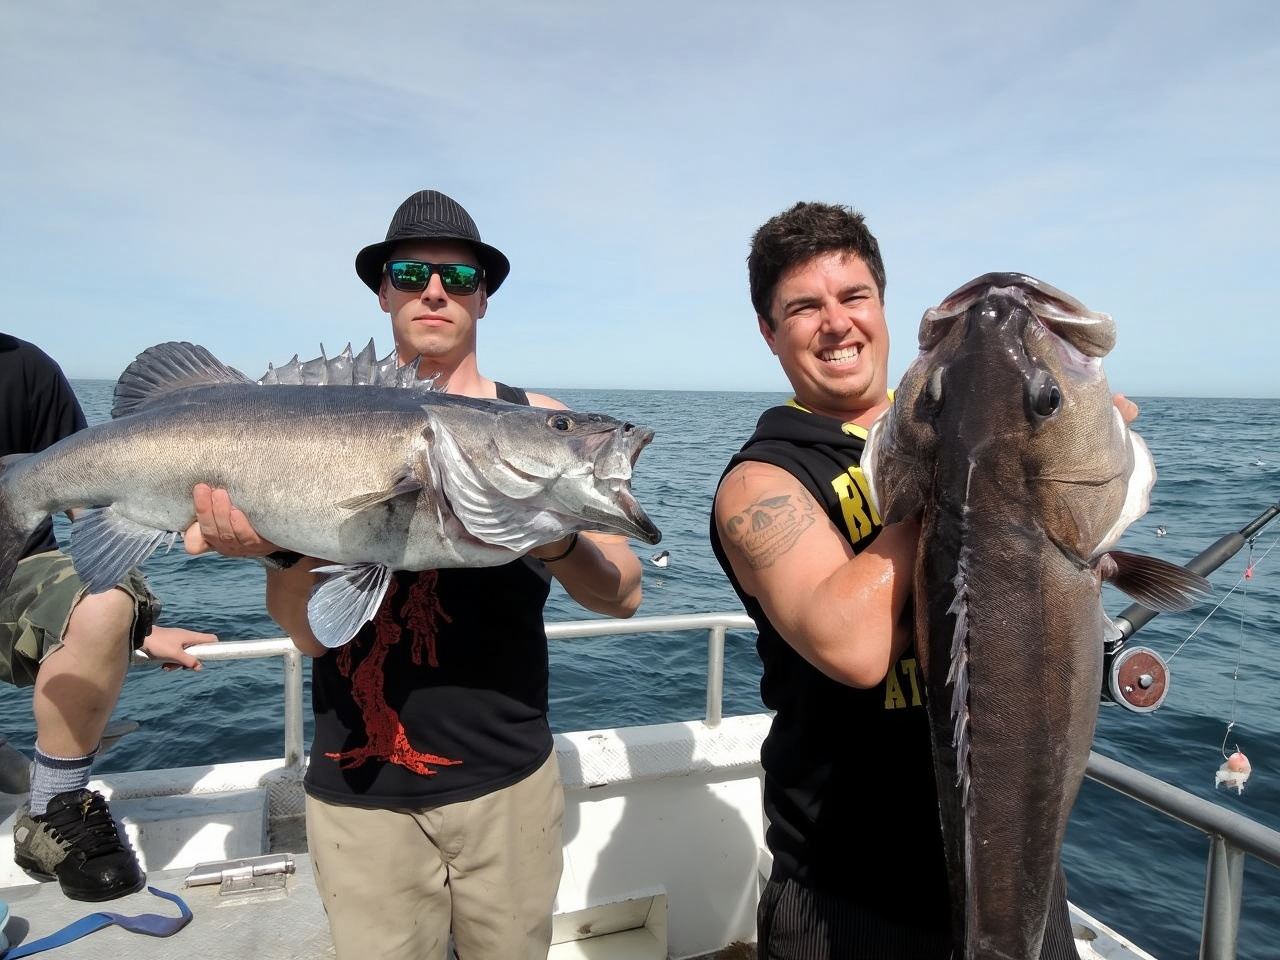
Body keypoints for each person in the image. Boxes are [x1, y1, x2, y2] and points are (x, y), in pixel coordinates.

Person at [183, 190, 645, 960]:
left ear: (484, 298)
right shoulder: (312, 421)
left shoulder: (541, 423)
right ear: (383, 291)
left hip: (507, 782)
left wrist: (553, 537)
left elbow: (624, 595)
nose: (436, 291)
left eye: (460, 279)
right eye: (412, 273)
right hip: (359, 793)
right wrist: (281, 551)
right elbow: (308, 631)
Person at [709, 203, 1134, 959]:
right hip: (848, 898)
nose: (835, 324)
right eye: (803, 308)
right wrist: (969, 471)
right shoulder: (763, 479)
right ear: (770, 334)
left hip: (1022, 878)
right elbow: (853, 647)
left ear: (881, 306)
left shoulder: (959, 424)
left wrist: (1064, 437)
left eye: (854, 297)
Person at [0, 332, 218, 902]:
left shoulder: (25, 368)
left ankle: (55, 807)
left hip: (13, 581)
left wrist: (132, 626)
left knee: (108, 601)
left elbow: (86, 483)